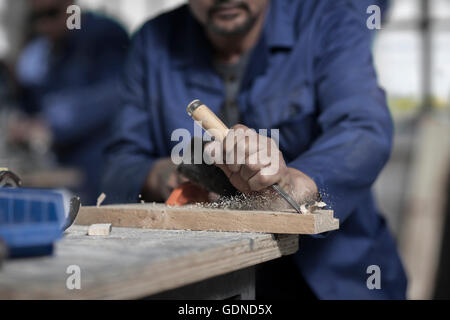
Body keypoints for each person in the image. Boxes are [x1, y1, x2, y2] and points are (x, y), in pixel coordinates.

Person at [102, 0, 407, 299]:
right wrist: (170, 175)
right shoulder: (152, 41)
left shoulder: (329, 18)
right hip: (202, 278)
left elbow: (363, 129)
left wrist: (297, 184)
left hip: (335, 276)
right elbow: (118, 166)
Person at [13, 0, 129, 204]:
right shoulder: (40, 53)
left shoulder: (104, 34)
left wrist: (50, 123)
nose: (44, 25)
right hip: (61, 171)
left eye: (51, 13)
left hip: (104, 170)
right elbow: (28, 106)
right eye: (36, 18)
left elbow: (116, 92)